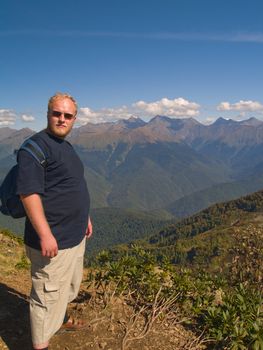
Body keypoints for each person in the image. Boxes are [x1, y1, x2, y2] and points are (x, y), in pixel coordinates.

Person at [16, 93, 92, 350]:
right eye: (56, 113)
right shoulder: (34, 148)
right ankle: (41, 345)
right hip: (53, 241)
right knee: (45, 297)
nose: (62, 119)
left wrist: (85, 216)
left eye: (67, 115)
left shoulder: (64, 145)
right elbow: (28, 193)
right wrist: (45, 234)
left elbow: (69, 185)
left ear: (74, 118)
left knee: (67, 288)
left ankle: (59, 320)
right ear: (47, 114)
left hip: (74, 235)